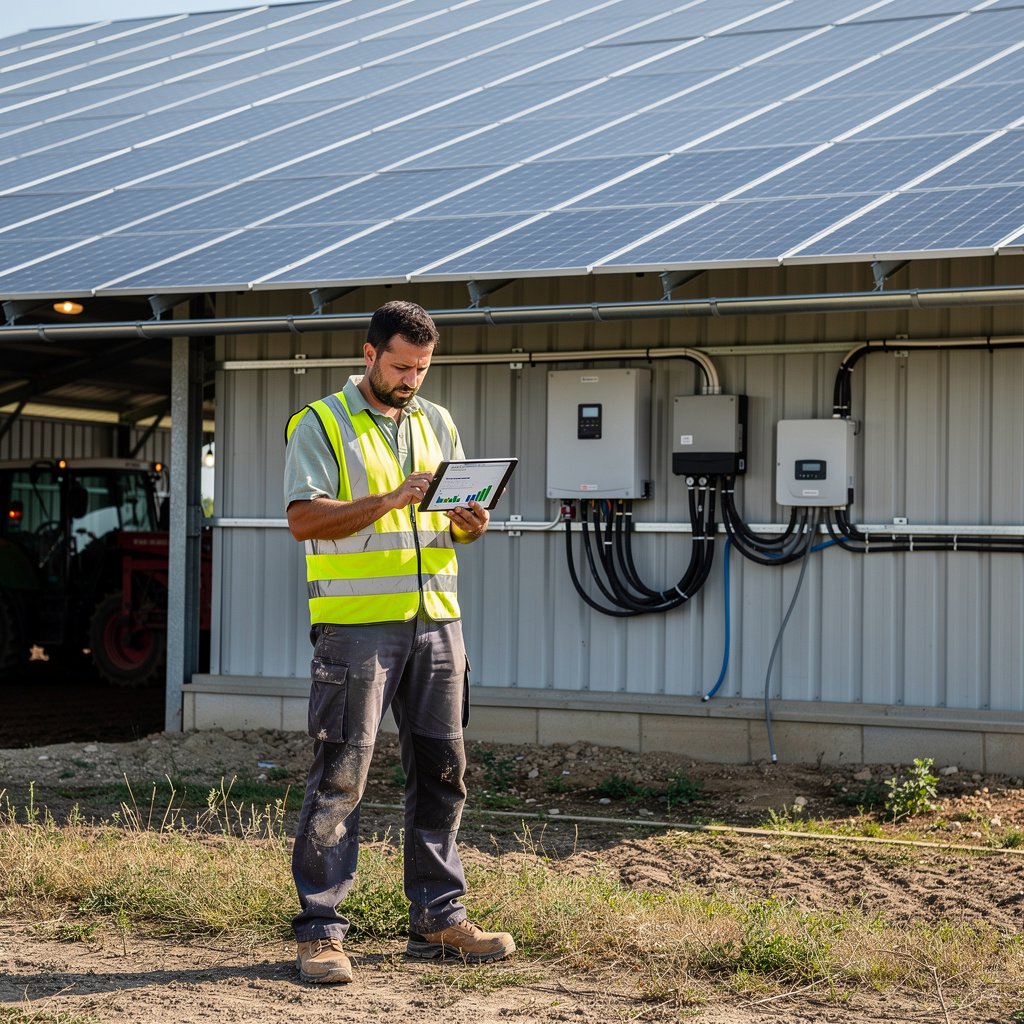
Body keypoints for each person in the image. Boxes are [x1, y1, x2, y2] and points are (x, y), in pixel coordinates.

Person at [283, 300, 515, 985]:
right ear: (369, 354)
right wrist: (391, 498)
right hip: (357, 630)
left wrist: (474, 521)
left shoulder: (438, 421)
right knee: (341, 777)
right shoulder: (321, 422)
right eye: (401, 366)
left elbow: (455, 524)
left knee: (445, 774)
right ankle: (321, 934)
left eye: (422, 368)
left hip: (438, 622)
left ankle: (440, 918)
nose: (412, 378)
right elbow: (302, 519)